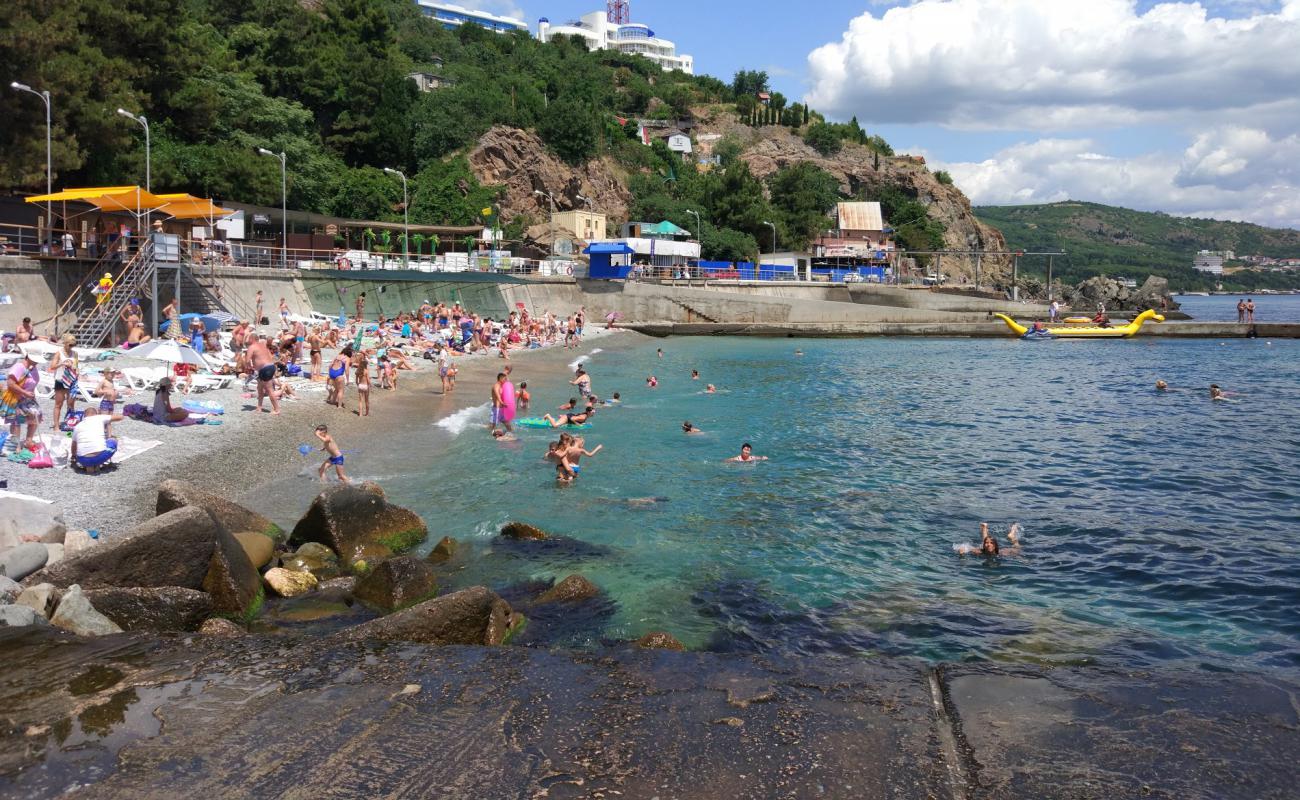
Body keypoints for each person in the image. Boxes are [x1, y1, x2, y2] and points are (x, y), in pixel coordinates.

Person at [2, 352, 43, 451]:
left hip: (28, 398)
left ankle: (28, 441)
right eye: (35, 359)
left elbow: (32, 384)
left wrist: (31, 395)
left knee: (36, 415)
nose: (37, 362)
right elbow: (10, 384)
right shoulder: (19, 367)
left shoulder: (32, 367)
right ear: (29, 357)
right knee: (17, 420)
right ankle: (16, 445)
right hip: (16, 398)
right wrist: (24, 392)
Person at [70, 407, 123, 473]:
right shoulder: (99, 418)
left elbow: (74, 446)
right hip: (100, 456)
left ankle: (89, 466)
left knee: (85, 448)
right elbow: (120, 417)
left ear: (84, 415)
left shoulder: (77, 426)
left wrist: (74, 456)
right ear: (96, 414)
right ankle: (97, 463)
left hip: (83, 459)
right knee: (113, 440)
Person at [48, 334, 80, 430]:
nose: (72, 347)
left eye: (73, 345)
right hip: (60, 380)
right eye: (70, 345)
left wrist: (76, 370)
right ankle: (56, 425)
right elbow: (52, 367)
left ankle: (69, 423)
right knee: (58, 404)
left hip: (72, 381)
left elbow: (77, 367)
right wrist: (62, 363)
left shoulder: (75, 353)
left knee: (71, 404)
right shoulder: (59, 353)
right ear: (65, 344)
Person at [247, 334, 280, 415]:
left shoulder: (252, 347)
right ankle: (259, 407)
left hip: (265, 369)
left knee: (269, 390)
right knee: (260, 388)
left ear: (252, 339)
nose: (247, 340)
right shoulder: (263, 345)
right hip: (268, 367)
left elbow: (247, 360)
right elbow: (270, 356)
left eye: (248, 338)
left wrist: (248, 367)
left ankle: (277, 409)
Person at [955, 523, 1021, 556]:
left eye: (992, 543)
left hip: (1007, 550)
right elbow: (966, 547)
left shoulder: (1002, 553)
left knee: (1017, 546)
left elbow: (1017, 553)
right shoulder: (979, 551)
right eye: (987, 543)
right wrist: (962, 550)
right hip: (983, 548)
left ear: (995, 545)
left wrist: (1023, 560)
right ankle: (984, 528)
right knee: (985, 541)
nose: (989, 545)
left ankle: (1012, 535)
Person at [354, 351, 371, 417]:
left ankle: (360, 414)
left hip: (360, 385)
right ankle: (367, 413)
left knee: (360, 401)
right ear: (366, 365)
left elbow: (356, 381)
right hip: (366, 385)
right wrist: (370, 385)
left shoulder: (358, 371)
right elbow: (368, 380)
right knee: (366, 400)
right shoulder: (366, 371)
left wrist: (358, 384)